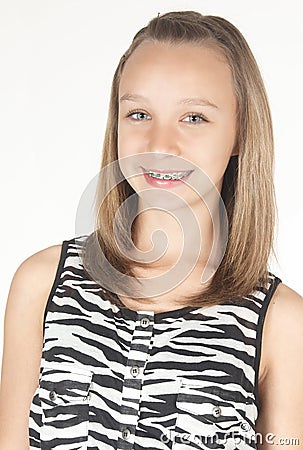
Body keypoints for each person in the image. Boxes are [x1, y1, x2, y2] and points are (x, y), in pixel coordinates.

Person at [0, 10, 302, 450]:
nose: (160, 145)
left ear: (240, 134)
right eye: (139, 113)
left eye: (194, 118)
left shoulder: (282, 324)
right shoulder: (41, 284)